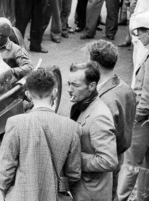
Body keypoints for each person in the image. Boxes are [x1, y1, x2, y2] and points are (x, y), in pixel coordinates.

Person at [0, 68, 81, 201]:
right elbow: (74, 174)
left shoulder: (15, 123)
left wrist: (7, 193)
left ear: (28, 94)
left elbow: (6, 170)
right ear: (55, 92)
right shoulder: (72, 128)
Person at [86, 39, 136, 201]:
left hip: (102, 162)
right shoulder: (126, 88)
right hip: (118, 156)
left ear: (95, 64)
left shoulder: (103, 100)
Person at [68, 61, 118, 200]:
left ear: (92, 86)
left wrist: (74, 158)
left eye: (76, 85)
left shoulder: (99, 116)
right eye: (69, 84)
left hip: (91, 193)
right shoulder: (82, 105)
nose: (69, 89)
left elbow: (108, 161)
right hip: (82, 188)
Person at [117, 10, 149, 201]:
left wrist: (133, 118)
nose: (137, 37)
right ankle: (143, 195)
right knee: (145, 164)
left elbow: (146, 97)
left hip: (142, 119)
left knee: (130, 164)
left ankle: (121, 197)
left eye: (140, 33)